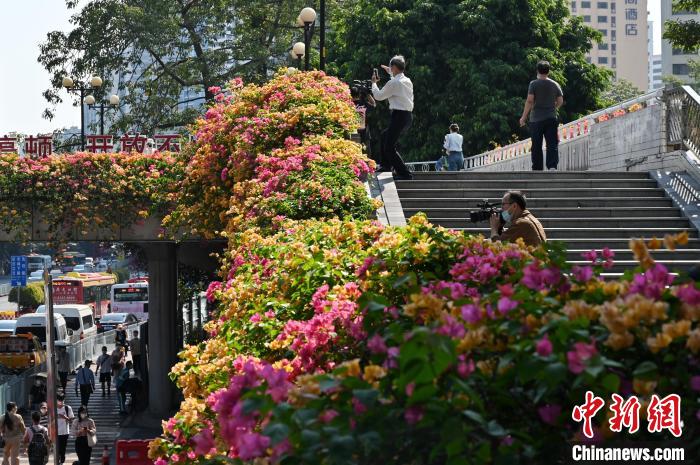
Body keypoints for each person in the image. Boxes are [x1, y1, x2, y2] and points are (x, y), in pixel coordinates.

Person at [371, 55, 414, 180]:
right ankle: (385, 165)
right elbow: (396, 82)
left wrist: (374, 83)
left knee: (389, 146)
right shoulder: (407, 80)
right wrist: (390, 72)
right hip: (406, 116)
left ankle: (405, 174)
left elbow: (378, 96)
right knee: (385, 136)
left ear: (394, 67)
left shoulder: (394, 83)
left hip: (399, 116)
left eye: (391, 67)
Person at [519, 60, 564, 171]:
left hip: (536, 119)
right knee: (552, 143)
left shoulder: (533, 84)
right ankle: (552, 166)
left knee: (536, 145)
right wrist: (554, 107)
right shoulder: (555, 84)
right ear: (548, 71)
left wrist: (523, 117)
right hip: (551, 118)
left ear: (538, 70)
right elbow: (560, 100)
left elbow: (529, 101)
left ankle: (537, 168)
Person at [55, 394, 73, 465]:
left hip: (65, 431)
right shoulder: (54, 408)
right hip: (56, 431)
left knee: (63, 447)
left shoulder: (67, 408)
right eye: (59, 400)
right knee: (57, 447)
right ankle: (58, 459)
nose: (61, 402)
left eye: (62, 400)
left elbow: (71, 419)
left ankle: (62, 459)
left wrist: (65, 417)